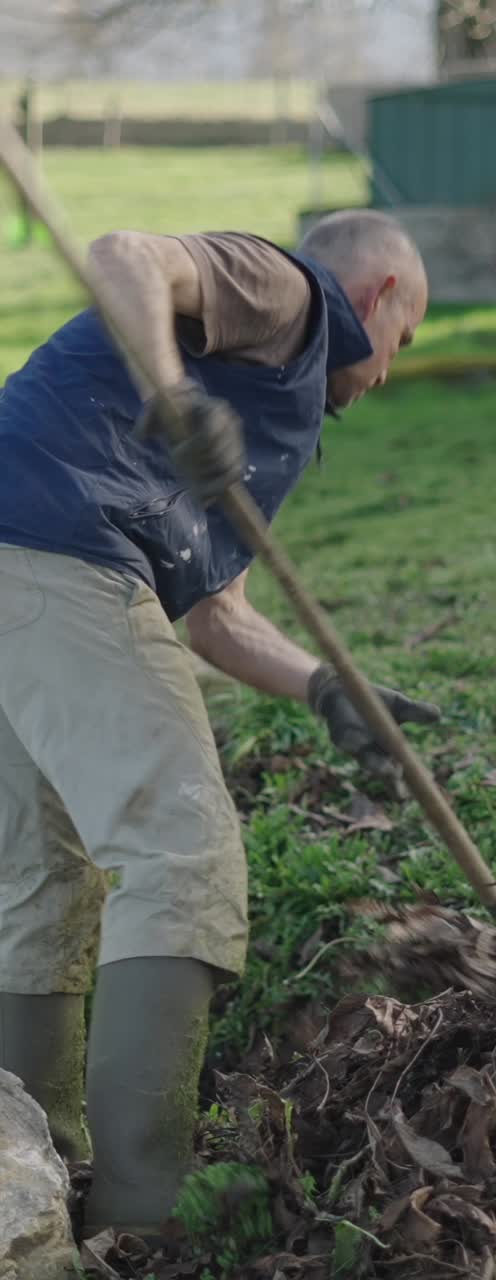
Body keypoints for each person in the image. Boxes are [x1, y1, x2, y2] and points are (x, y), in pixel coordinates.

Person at [0, 209, 439, 1235]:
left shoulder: (269, 403)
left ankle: (36, 1180)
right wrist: (172, 391)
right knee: (181, 853)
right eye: (406, 339)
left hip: (18, 554)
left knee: (39, 879)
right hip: (56, 544)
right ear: (376, 301)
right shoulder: (292, 295)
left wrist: (330, 689)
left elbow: (217, 616)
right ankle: (150, 1211)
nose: (390, 370)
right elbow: (124, 254)